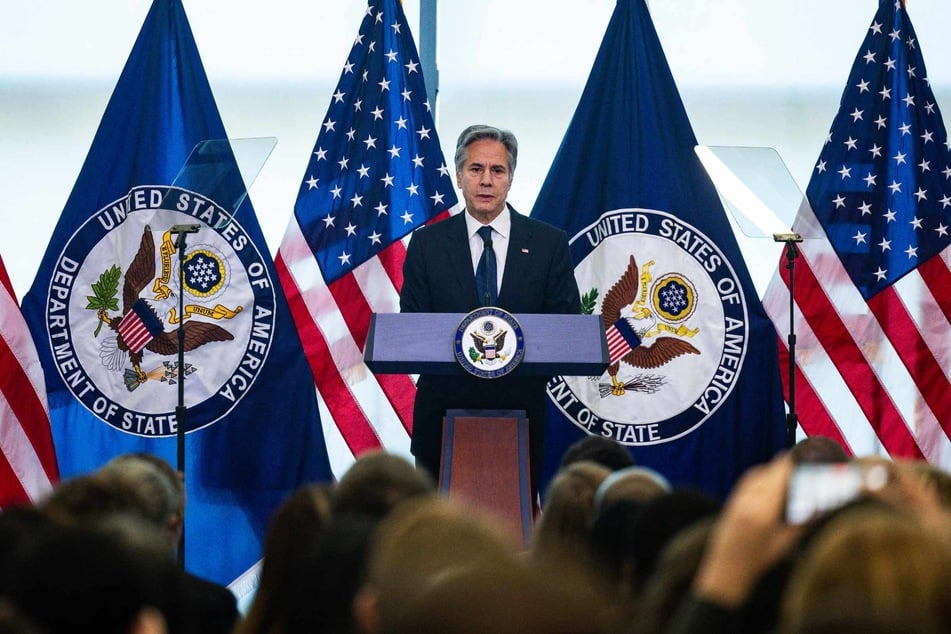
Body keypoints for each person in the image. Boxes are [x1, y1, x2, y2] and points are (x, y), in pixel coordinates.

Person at [400, 124, 581, 497]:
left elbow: (565, 328)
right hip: (442, 417)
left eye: (497, 171)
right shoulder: (427, 244)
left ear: (511, 178)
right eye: (475, 169)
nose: (486, 180)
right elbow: (412, 327)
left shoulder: (548, 244)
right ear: (459, 177)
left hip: (520, 415)